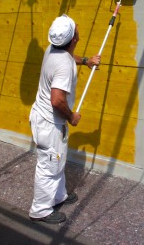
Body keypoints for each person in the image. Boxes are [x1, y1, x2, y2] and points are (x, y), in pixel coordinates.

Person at [29, 14, 101, 224]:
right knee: (49, 166)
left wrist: (86, 60)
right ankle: (40, 210)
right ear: (74, 39)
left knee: (56, 160)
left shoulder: (53, 49)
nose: (77, 26)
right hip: (50, 122)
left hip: (45, 119)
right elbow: (57, 100)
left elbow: (70, 57)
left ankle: (58, 195)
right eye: (75, 28)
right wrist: (71, 117)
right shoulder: (63, 67)